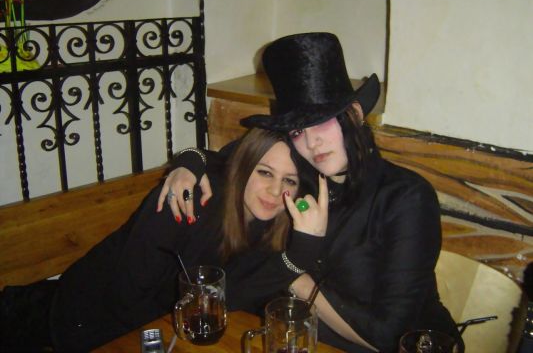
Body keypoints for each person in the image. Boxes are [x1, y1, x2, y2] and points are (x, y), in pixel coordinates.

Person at [159, 32, 464, 353]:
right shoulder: (298, 175)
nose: (310, 143)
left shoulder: (406, 197)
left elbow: (391, 337)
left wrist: (296, 277)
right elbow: (230, 159)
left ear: (354, 114)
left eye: (321, 122)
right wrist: (188, 162)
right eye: (297, 130)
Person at [0, 128, 303, 352]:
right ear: (242, 167)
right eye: (265, 173)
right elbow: (125, 293)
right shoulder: (188, 201)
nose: (275, 191)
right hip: (78, 315)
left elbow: (234, 296)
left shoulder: (269, 227)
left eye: (289, 180)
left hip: (148, 327)